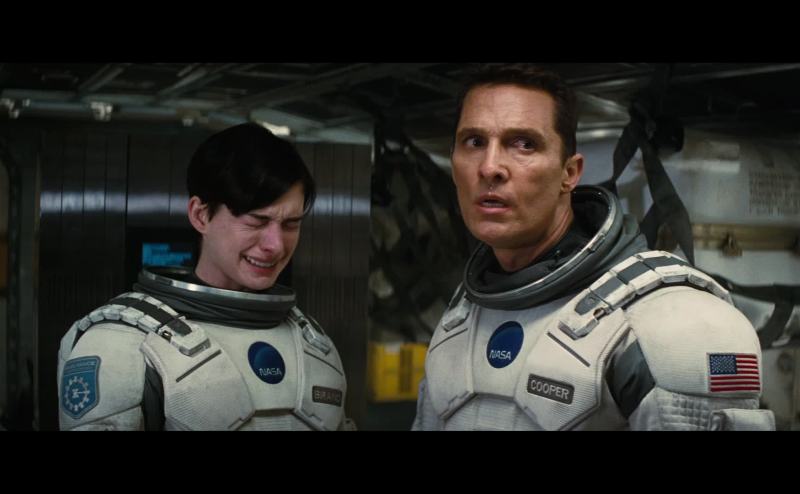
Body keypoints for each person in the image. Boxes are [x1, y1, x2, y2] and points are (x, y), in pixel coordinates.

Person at [412, 64, 774, 430]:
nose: (490, 167)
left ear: (569, 173)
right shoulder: (463, 312)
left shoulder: (675, 327)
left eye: (524, 143)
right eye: (474, 142)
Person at [58, 123, 349, 430]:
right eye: (256, 221)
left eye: (291, 224)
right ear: (200, 215)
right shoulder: (123, 347)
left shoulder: (314, 346)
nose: (275, 245)